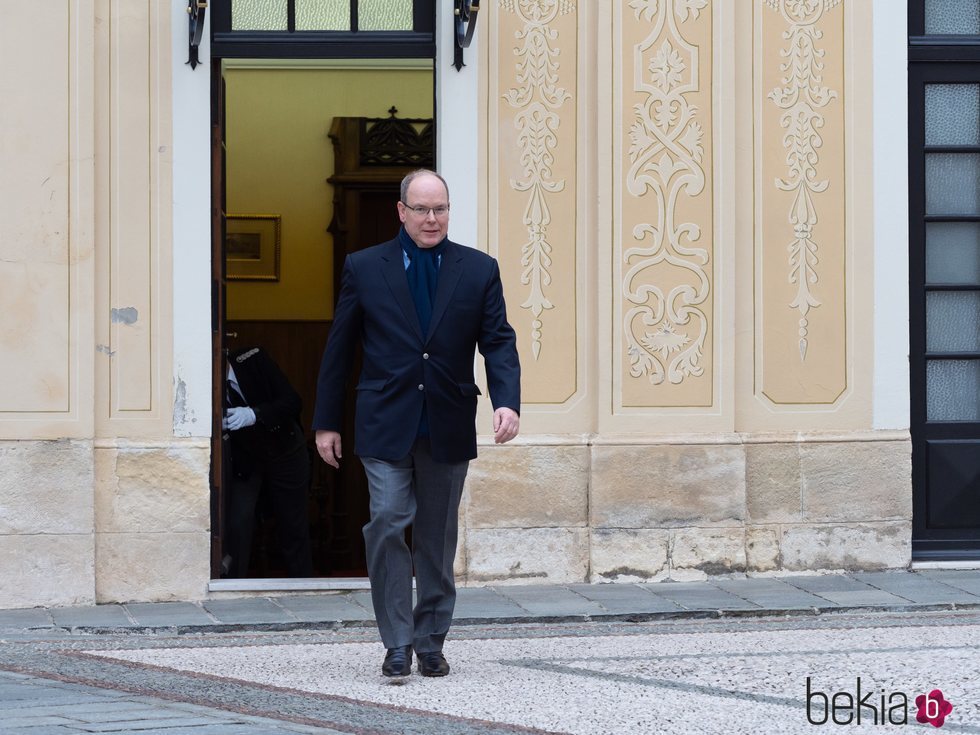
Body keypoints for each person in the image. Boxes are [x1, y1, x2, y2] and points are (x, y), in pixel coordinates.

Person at [313, 169, 521, 678]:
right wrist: (325, 422)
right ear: (401, 211)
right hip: (385, 421)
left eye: (441, 209)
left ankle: (430, 640)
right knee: (386, 519)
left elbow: (497, 340)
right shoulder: (364, 267)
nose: (432, 219)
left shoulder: (479, 270)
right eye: (422, 209)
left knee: (436, 537)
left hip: (447, 422)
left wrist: (506, 400)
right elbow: (340, 348)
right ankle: (397, 642)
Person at [223, 345, 314, 579]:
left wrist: (255, 413)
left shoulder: (253, 359)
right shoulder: (205, 386)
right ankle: (232, 586)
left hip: (285, 450)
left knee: (293, 524)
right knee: (238, 522)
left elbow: (293, 401)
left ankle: (302, 587)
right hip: (246, 461)